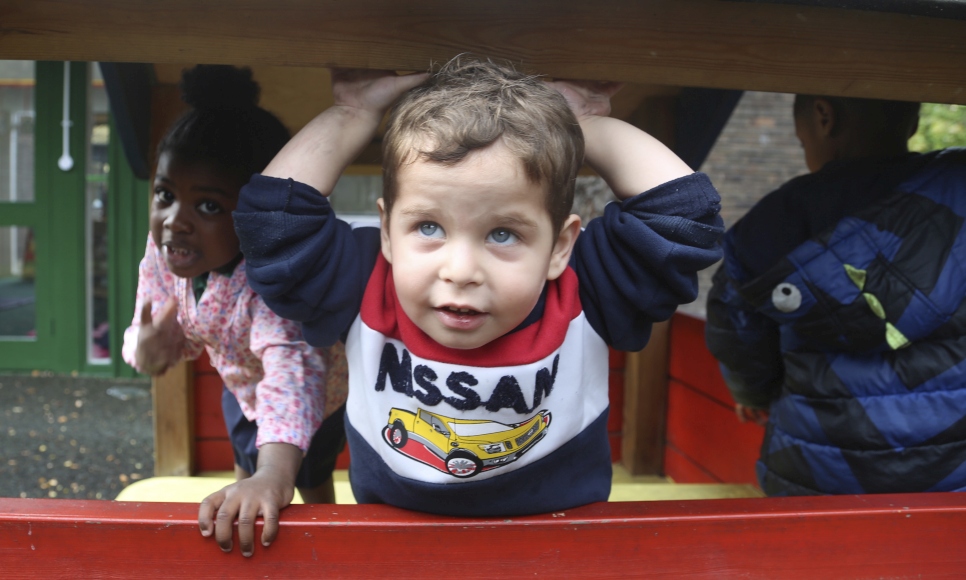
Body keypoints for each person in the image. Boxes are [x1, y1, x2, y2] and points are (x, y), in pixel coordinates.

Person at [234, 58, 723, 516]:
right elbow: (272, 225)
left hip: (561, 552)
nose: (461, 270)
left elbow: (682, 216)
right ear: (387, 233)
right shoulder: (368, 281)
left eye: (503, 234)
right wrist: (352, 113)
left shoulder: (585, 290)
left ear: (559, 247)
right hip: (396, 552)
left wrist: (584, 124)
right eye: (428, 227)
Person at [121, 65, 348, 556]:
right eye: (165, 194)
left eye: (207, 206)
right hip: (240, 378)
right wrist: (149, 348)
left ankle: (322, 547)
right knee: (244, 456)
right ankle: (246, 520)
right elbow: (161, 326)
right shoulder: (165, 253)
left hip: (314, 395)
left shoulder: (273, 284)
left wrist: (273, 476)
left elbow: (292, 376)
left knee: (306, 475)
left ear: (253, 217)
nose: (174, 221)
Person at [706, 93, 966, 496]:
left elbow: (737, 331)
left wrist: (753, 392)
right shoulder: (957, 189)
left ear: (824, 117)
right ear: (913, 120)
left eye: (800, 141)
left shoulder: (773, 221)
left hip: (819, 469)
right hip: (953, 468)